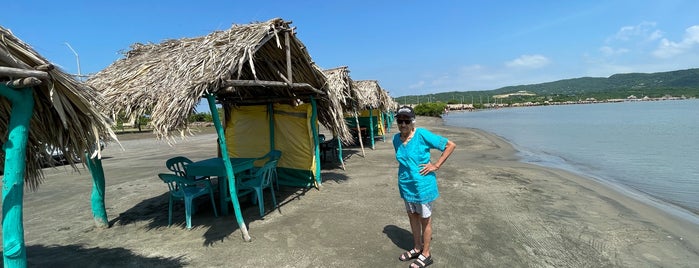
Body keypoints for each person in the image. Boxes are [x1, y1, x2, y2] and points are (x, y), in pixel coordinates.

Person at [393, 106, 456, 268]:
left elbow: (450, 145)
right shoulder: (396, 139)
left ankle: (426, 254)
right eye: (400, 121)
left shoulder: (421, 134)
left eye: (407, 121)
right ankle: (416, 247)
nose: (403, 124)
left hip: (423, 187)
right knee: (412, 217)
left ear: (412, 122)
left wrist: (436, 165)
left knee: (425, 221)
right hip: (406, 186)